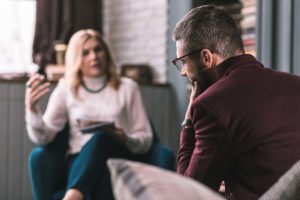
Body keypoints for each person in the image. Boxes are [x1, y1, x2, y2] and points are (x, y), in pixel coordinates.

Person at [172, 4, 300, 200]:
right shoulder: (295, 83)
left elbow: (188, 193)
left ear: (206, 57)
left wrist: (188, 121)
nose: (182, 72)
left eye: (183, 62)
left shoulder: (211, 104)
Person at [25, 29, 153, 200]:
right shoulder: (66, 89)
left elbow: (145, 139)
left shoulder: (128, 87)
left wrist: (125, 138)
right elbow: (44, 138)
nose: (94, 57)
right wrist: (32, 109)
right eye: (85, 52)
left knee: (103, 137)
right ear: (76, 58)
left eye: (98, 49)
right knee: (101, 175)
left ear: (106, 53)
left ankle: (73, 196)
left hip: (118, 157)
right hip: (80, 162)